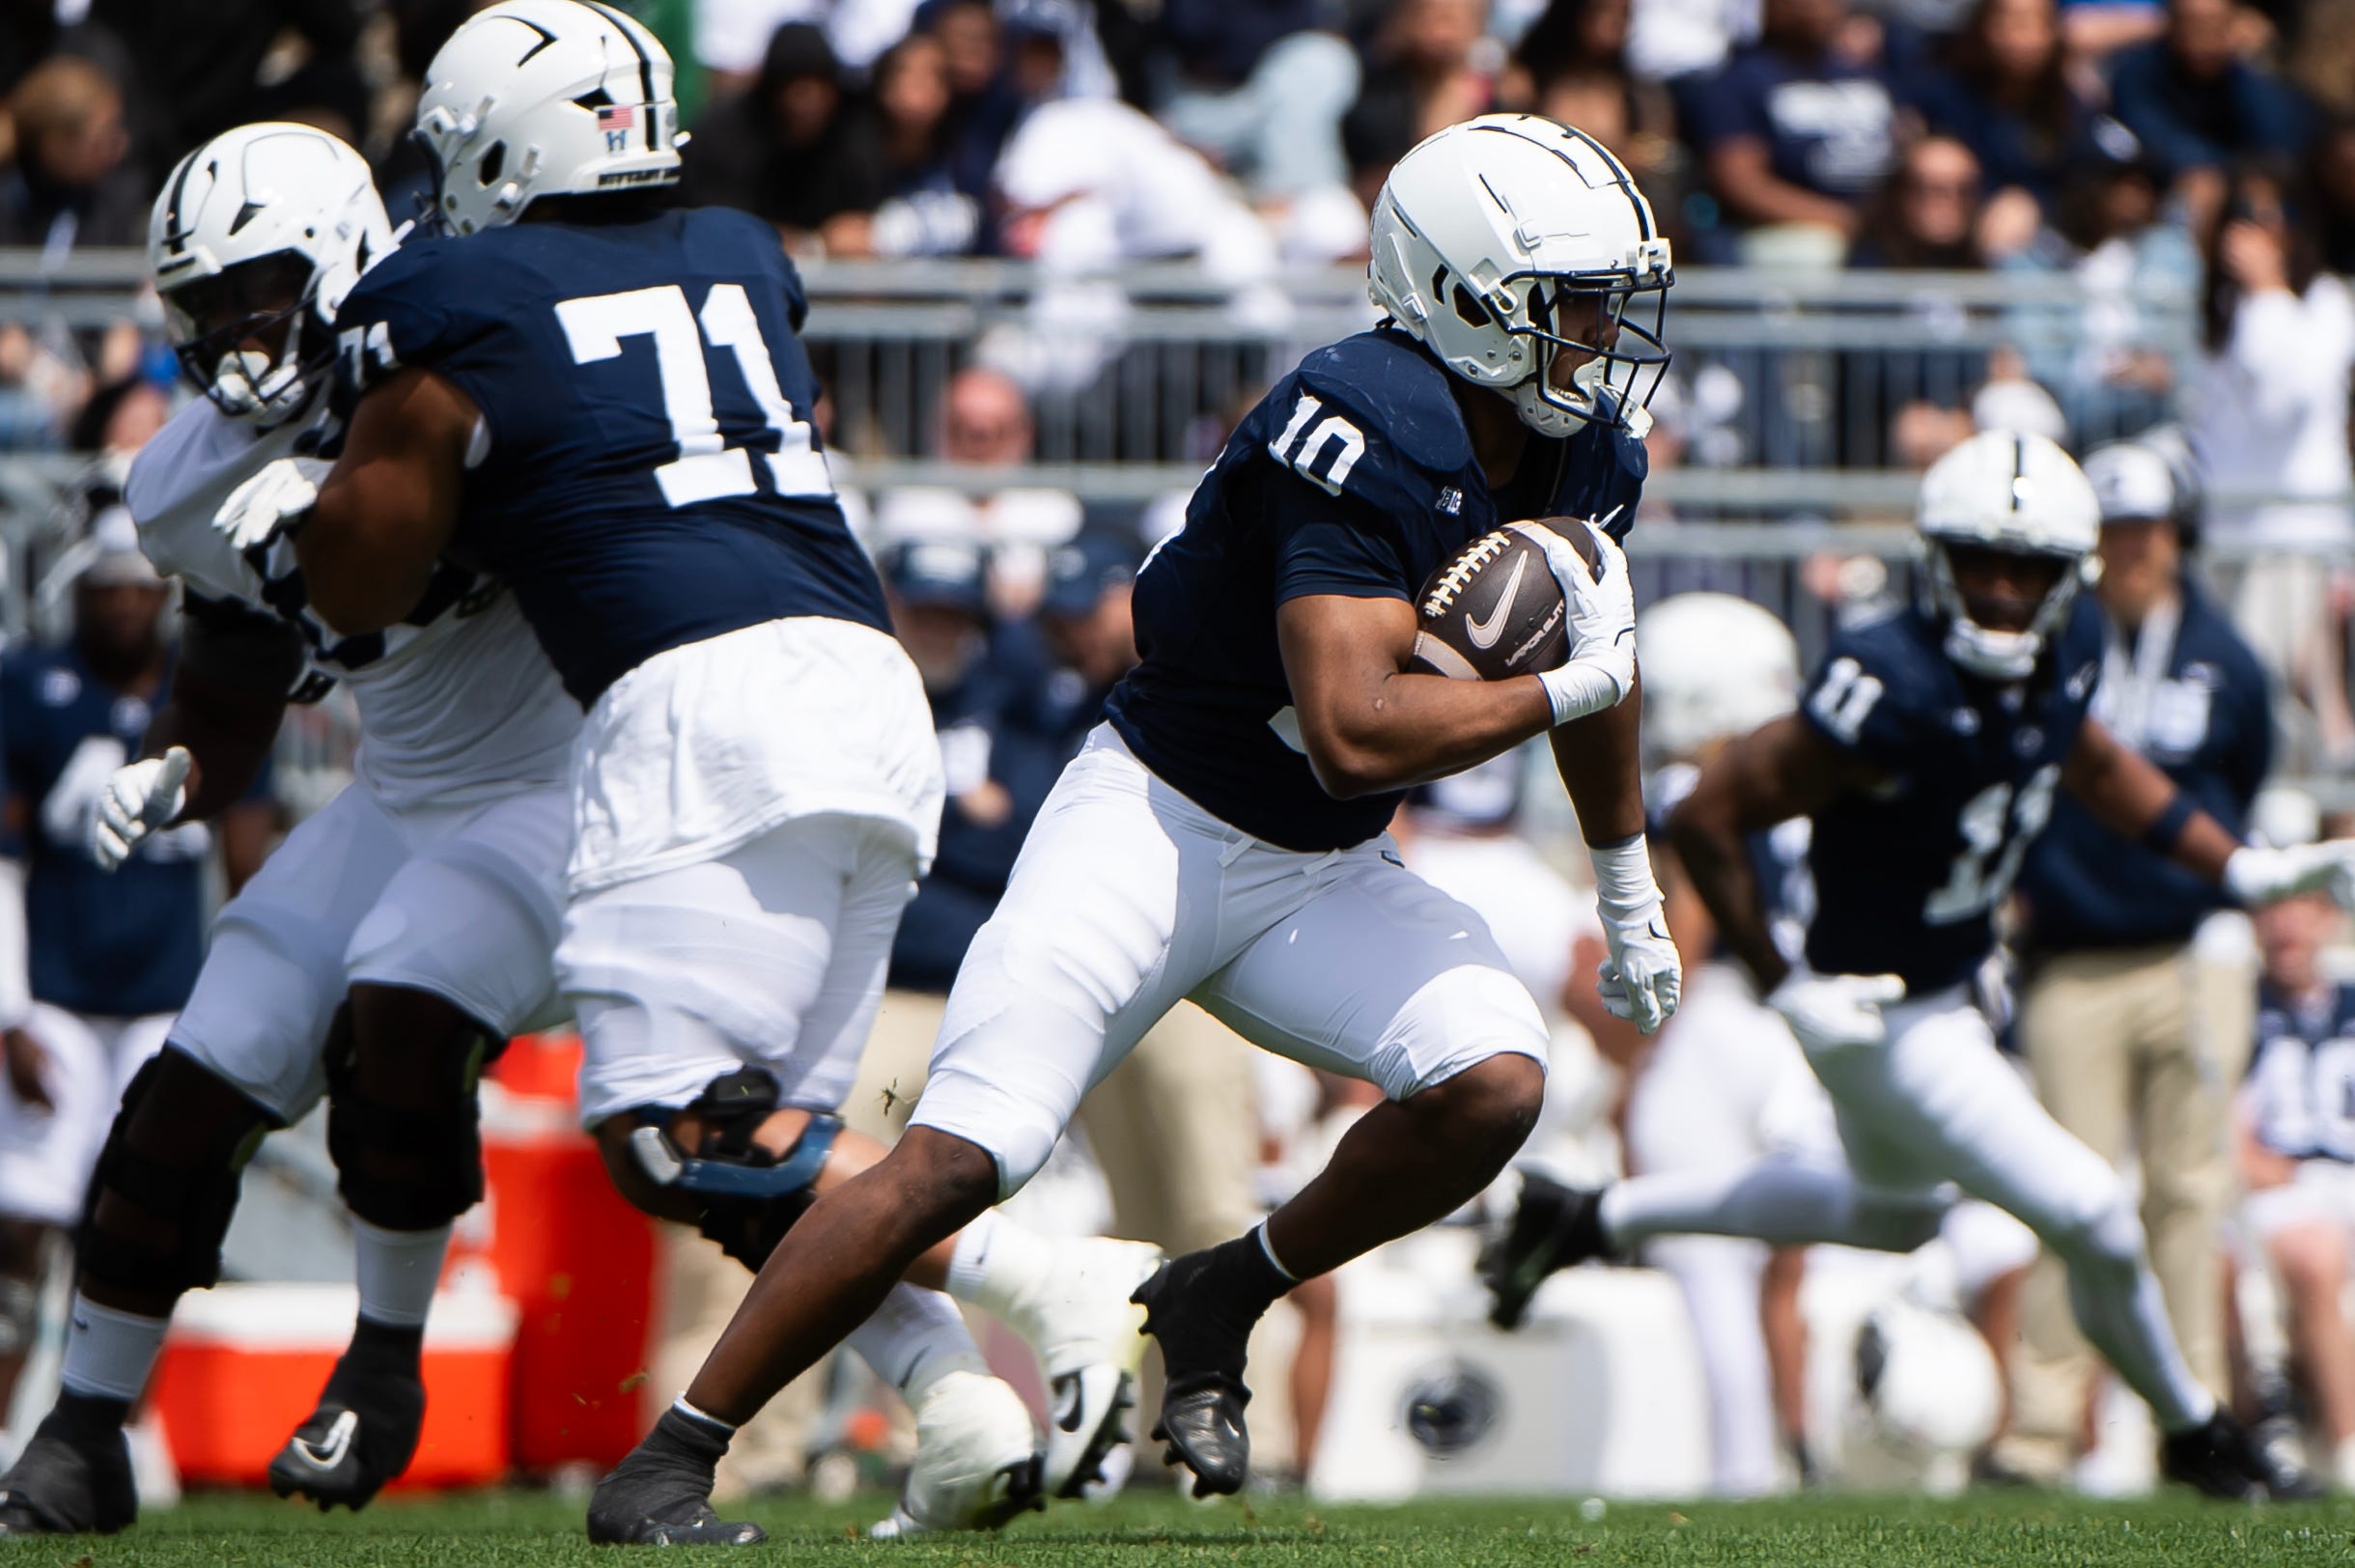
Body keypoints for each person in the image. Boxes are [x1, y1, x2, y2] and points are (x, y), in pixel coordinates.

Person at [585, 111, 1684, 1543]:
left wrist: (1621, 880)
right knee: (957, 1158)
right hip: (1152, 826)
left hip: (1315, 873)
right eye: (1577, 304)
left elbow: (1576, 668)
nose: (1604, 337)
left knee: (1491, 1084)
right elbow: (1357, 732)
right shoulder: (1364, 417)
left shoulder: (1581, 446)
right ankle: (671, 1456)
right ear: (1466, 296)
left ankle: (1223, 1287)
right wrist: (1577, 678)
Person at [246, 2, 1154, 1540]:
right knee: (759, 1153)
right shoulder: (736, 248)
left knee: (680, 1136)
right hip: (862, 685)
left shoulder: (454, 291)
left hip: (700, 698)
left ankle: (1045, 1273)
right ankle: (950, 1412)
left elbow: (356, 582)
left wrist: (288, 520)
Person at [1484, 429, 2355, 1498]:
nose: (1998, 588)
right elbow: (1713, 814)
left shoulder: (2062, 650)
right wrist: (1784, 978)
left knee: (1885, 1217)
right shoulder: (1887, 679)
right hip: (1874, 1010)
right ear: (1932, 560)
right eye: (1977, 559)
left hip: (1941, 994)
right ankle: (2198, 1430)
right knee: (2091, 1211)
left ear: (2065, 578)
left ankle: (1591, 1215)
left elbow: (2095, 763)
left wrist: (2246, 869)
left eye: (2026, 567)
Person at [0, 121, 584, 1539]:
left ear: (335, 261)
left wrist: (334, 508)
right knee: (191, 1089)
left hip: (568, 780)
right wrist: (175, 766)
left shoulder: (465, 357)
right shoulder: (187, 475)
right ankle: (82, 1437)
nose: (235, 335)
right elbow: (234, 676)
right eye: (205, 309)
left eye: (259, 290)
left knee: (426, 1029)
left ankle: (384, 1370)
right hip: (401, 791)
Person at [1993, 434, 2281, 1488]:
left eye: (2147, 532)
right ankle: (2039, 1424)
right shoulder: (2057, 642)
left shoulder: (2221, 653)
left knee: (2191, 1190)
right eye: (2112, 533)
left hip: (2190, 949)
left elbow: (2244, 769)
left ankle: (2192, 1418)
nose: (2131, 552)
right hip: (2072, 954)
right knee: (2067, 1191)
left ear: (2179, 536)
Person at [0, 507, 276, 1422]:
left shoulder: (204, 698)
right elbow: (3, 863)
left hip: (167, 998)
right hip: (54, 998)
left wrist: (258, 997)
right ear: (75, 588)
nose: (121, 600)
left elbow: (251, 863)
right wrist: (7, 1013)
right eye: (103, 584)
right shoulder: (30, 685)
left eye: (136, 583)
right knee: (24, 1224)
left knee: (147, 1218)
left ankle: (114, 1432)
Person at [2237, 889, 2355, 1490]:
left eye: (2302, 909)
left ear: (2328, 918)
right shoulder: (2237, 1010)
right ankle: (2347, 1442)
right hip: (2282, 1185)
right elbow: (2220, 1133)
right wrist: (2257, 1165)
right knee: (2315, 1253)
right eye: (2273, 910)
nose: (2287, 925)